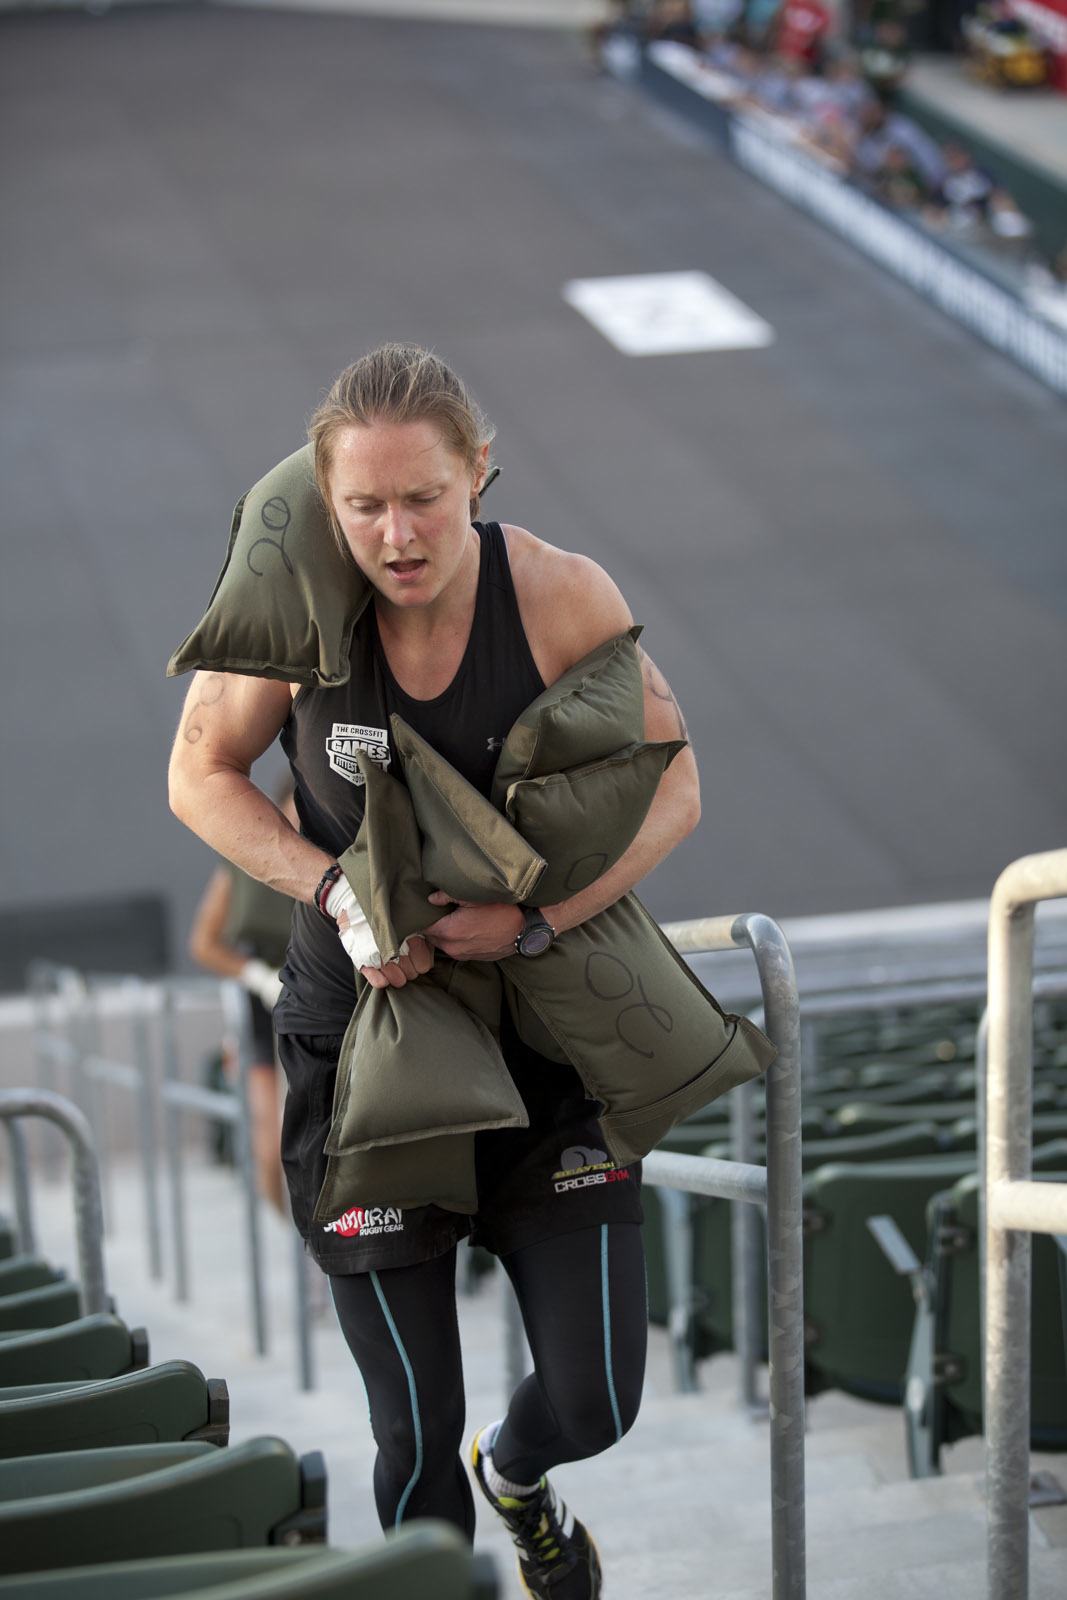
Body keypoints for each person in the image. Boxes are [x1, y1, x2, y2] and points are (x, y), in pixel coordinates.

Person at [168, 343, 701, 1599]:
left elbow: (674, 779)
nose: (395, 534)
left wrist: (537, 920)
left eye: (423, 498)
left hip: (541, 1045)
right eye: (363, 506)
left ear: (477, 470)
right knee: (409, 1448)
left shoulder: (558, 593)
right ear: (325, 496)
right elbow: (198, 775)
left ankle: (518, 1476)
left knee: (599, 1394)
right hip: (361, 1052)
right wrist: (335, 888)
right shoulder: (295, 613)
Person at [187, 779, 298, 1214]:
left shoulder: (339, 856)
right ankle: (288, 1236)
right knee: (271, 1144)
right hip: (261, 1001)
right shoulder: (243, 857)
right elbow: (203, 943)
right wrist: (255, 976)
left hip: (324, 993)